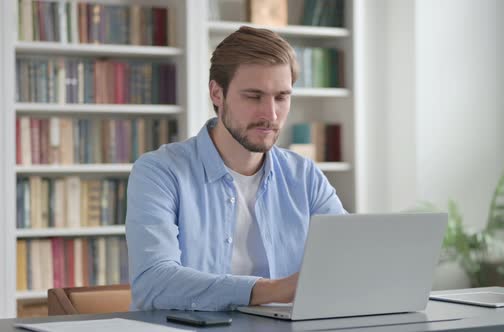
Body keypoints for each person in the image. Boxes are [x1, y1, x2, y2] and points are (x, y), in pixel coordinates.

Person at [125, 26, 346, 311]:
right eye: (254, 96)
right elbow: (154, 283)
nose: (271, 114)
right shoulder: (158, 172)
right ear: (217, 93)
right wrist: (272, 290)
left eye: (281, 97)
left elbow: (345, 262)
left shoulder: (305, 176)